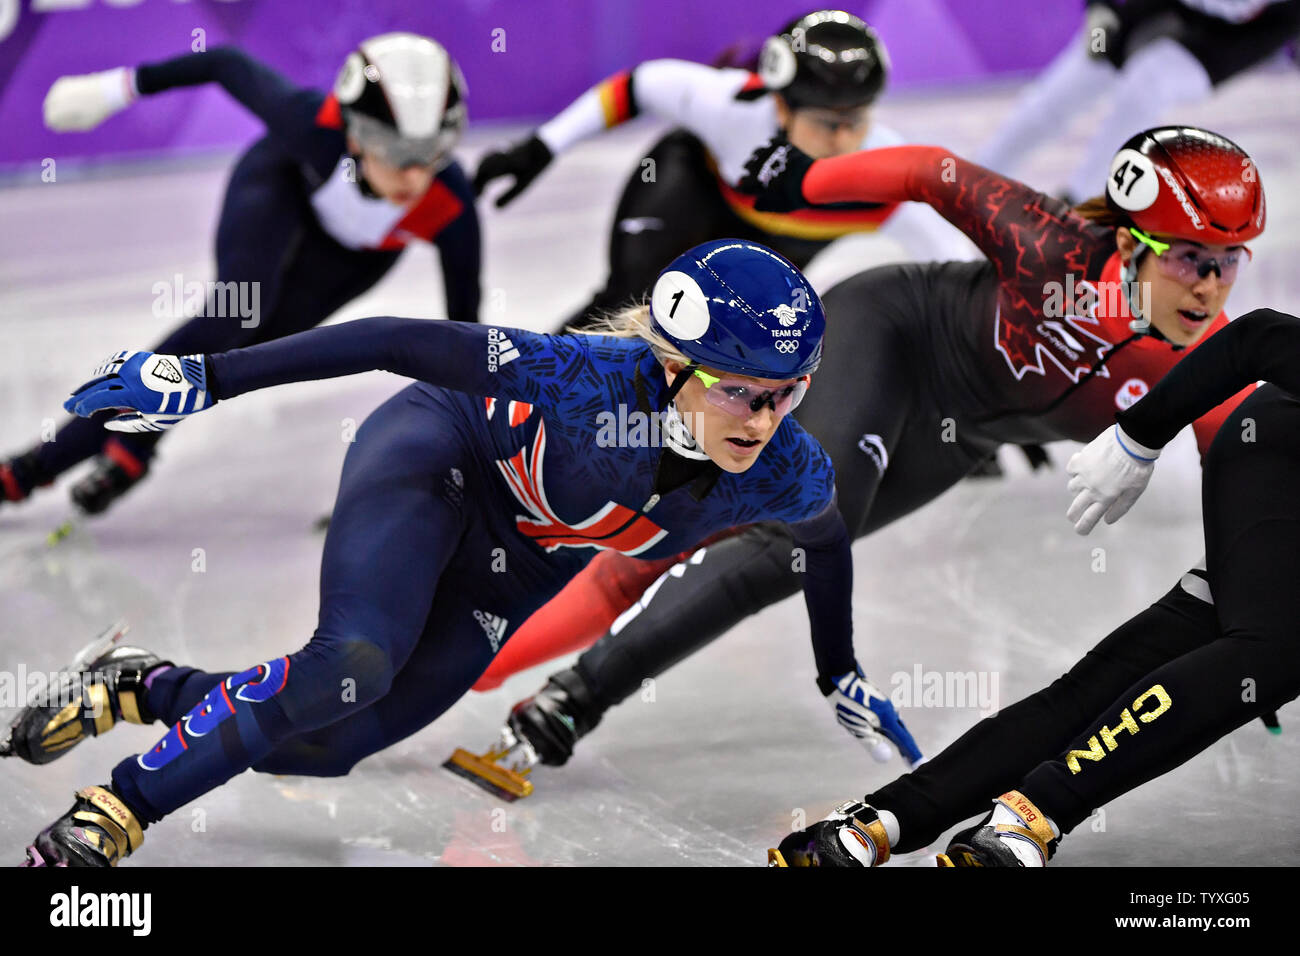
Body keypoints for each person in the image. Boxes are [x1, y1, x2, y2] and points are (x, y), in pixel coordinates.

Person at [1, 239, 922, 866]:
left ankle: (142, 685)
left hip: (514, 568)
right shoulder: (588, 376)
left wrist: (837, 673)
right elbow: (393, 342)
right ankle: (111, 817)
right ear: (674, 363)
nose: (764, 423)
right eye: (740, 394)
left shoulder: (785, 471)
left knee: (321, 748)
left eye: (787, 395)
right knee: (353, 662)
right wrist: (205, 377)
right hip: (439, 457)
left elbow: (825, 543)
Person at [452, 125, 1266, 795]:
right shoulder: (1049, 246)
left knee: (709, 540)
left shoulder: (1210, 360)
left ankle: (464, 670)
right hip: (891, 335)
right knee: (796, 537)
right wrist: (807, 180)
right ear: (1132, 240)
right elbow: (927, 171)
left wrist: (1246, 618)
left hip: (955, 438)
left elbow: (1242, 478)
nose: (1211, 288)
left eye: (1231, 264)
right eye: (1192, 258)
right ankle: (565, 697)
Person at [772, 306, 1300, 867]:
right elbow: (1257, 336)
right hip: (1281, 454)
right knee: (1278, 646)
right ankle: (1034, 812)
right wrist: (1137, 437)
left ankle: (885, 819)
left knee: (1167, 653)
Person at [0, 33, 480, 517]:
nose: (415, 176)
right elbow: (226, 64)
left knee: (247, 354)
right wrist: (112, 90)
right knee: (229, 319)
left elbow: (466, 340)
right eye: (394, 149)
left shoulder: (449, 203)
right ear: (353, 132)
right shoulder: (313, 128)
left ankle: (136, 444)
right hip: (279, 188)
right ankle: (36, 466)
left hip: (357, 255)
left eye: (434, 150)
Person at [473, 9, 975, 331]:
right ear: (781, 107)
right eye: (826, 123)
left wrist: (977, 392)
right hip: (690, 186)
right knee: (633, 308)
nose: (844, 139)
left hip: (770, 235)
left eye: (857, 120)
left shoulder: (886, 175)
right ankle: (526, 395)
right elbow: (640, 86)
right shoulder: (732, 107)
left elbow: (955, 274)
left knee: (747, 337)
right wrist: (542, 145)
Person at [976, 0, 1300, 202]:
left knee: (1149, 82)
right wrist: (1099, 11)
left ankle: (1083, 207)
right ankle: (976, 176)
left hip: (1229, 37)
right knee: (1072, 80)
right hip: (1140, 11)